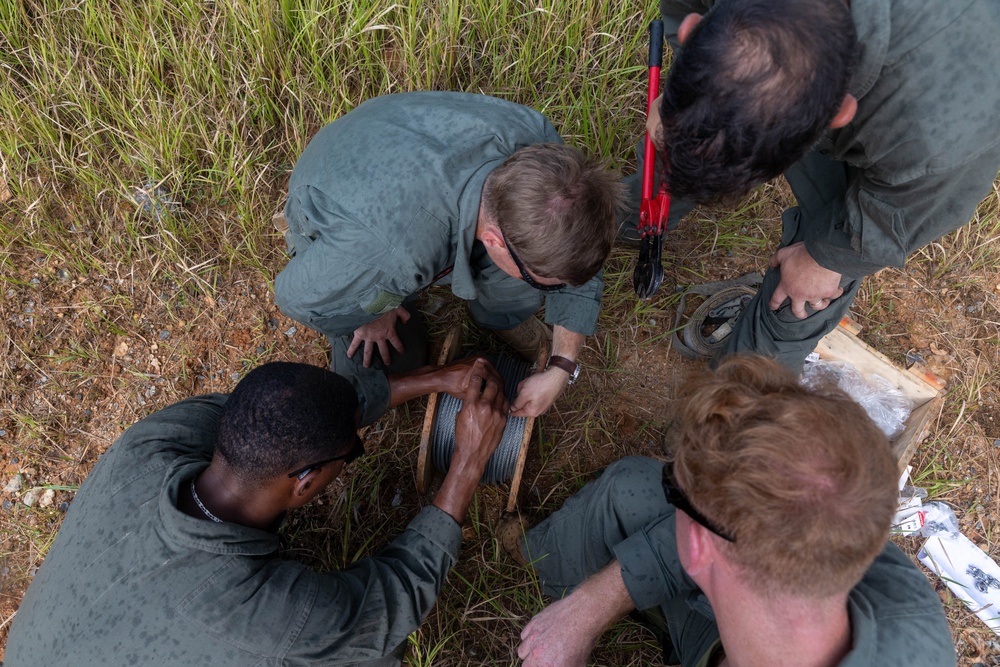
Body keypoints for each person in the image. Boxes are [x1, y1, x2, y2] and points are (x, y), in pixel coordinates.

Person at [5, 359, 508, 666]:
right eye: (351, 454)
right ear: (306, 482)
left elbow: (283, 413)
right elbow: (395, 597)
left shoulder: (154, 442)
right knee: (371, 652)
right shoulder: (272, 618)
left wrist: (434, 378)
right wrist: (466, 464)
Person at [624, 0, 1000, 371]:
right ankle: (631, 219)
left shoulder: (936, 130)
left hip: (922, 118)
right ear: (696, 28)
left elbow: (903, 212)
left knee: (801, 298)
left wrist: (827, 258)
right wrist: (687, 103)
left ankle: (732, 409)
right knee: (685, 133)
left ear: (840, 116)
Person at [508, 355, 955, 666]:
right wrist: (587, 609)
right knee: (629, 485)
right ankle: (539, 562)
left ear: (702, 544)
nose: (668, 485)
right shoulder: (903, 596)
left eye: (675, 488)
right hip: (729, 631)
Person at [273, 91, 624, 427]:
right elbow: (296, 299)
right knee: (393, 366)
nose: (556, 290)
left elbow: (573, 245)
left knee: (525, 275)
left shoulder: (547, 163)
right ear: (494, 241)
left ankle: (500, 316)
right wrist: (373, 311)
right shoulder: (394, 253)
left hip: (391, 147)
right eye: (546, 283)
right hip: (337, 204)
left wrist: (562, 364)